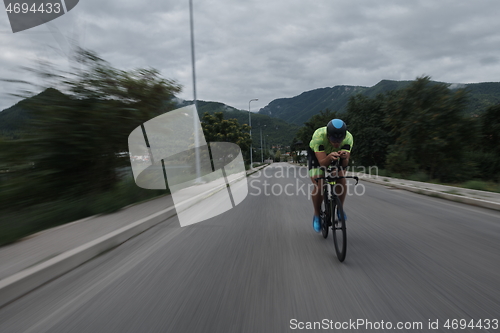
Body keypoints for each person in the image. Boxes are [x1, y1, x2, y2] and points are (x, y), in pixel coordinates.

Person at [308, 119, 353, 232]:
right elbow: (322, 163)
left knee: (341, 178)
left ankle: (339, 208)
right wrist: (329, 158)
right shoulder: (319, 136)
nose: (337, 142)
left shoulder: (348, 138)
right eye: (333, 139)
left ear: (344, 136)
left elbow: (345, 164)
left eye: (340, 139)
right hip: (318, 156)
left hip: (336, 156)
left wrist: (344, 158)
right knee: (320, 184)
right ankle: (317, 214)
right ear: (328, 136)